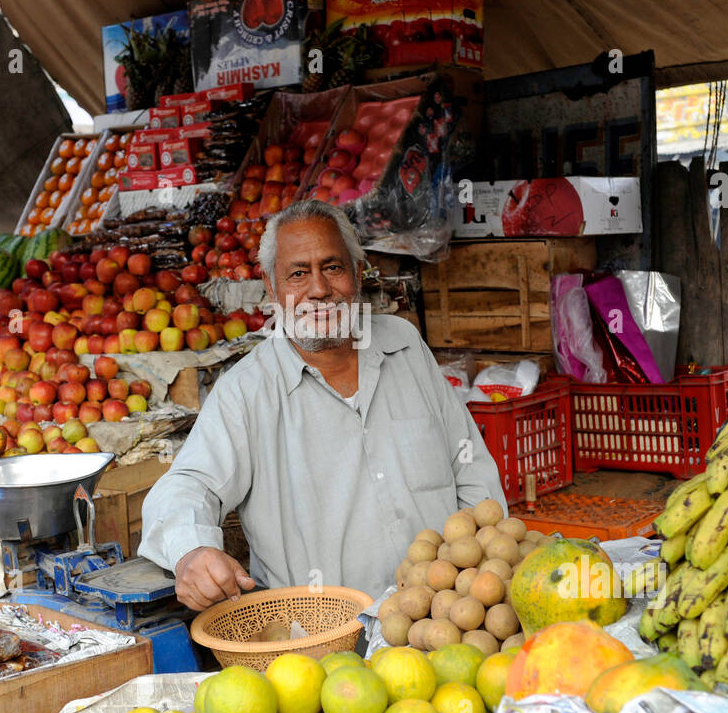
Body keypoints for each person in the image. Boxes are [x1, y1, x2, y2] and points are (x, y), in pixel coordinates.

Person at [139, 200, 506, 610]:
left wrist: (484, 579)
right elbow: (189, 485)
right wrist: (191, 550)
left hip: (441, 620)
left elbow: (471, 471)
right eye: (298, 273)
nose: (318, 289)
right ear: (271, 285)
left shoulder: (404, 346)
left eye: (332, 267)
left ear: (356, 271)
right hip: (326, 646)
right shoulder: (247, 391)